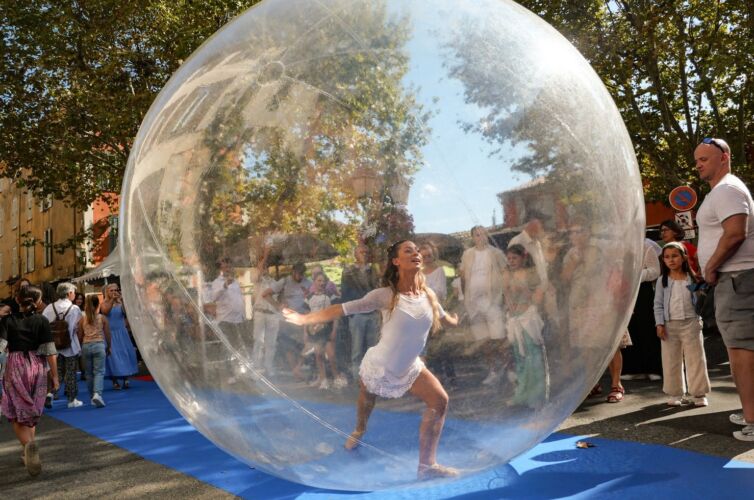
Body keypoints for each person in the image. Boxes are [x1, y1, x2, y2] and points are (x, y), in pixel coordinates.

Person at [283, 241, 460, 479]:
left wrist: (456, 320)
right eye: (408, 250)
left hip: (410, 367)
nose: (416, 253)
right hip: (380, 364)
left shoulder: (428, 295)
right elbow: (343, 308)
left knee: (440, 401)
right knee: (366, 401)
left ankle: (426, 467)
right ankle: (359, 429)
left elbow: (444, 316)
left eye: (417, 250)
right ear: (396, 261)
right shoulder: (386, 295)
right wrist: (305, 319)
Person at [694, 137, 754, 441]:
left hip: (737, 278)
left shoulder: (728, 189)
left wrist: (711, 266)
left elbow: (734, 234)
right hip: (735, 280)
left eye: (704, 159)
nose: (698, 164)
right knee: (740, 350)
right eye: (697, 160)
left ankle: (753, 421)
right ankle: (749, 410)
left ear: (724, 157)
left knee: (743, 352)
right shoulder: (722, 190)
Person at [0, 286, 59, 476]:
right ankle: (27, 451)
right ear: (38, 299)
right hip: (37, 365)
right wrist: (55, 377)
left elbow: (0, 347)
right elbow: (50, 351)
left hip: (15, 365)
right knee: (31, 409)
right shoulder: (41, 320)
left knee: (16, 411)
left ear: (17, 300)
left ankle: (28, 445)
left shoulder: (7, 320)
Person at [653, 242, 711, 407]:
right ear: (663, 260)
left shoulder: (692, 278)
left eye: (675, 256)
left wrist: (700, 281)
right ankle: (675, 392)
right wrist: (659, 324)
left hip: (691, 322)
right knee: (671, 360)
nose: (671, 260)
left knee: (696, 359)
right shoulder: (662, 281)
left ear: (684, 257)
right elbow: (658, 304)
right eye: (667, 257)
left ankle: (699, 394)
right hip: (669, 325)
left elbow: (702, 299)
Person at [459, 225, 507, 384]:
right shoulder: (468, 254)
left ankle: (508, 368)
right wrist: (465, 297)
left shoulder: (496, 253)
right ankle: (493, 370)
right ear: (473, 237)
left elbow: (505, 273)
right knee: (483, 339)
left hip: (492, 301)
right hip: (473, 303)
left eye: (483, 234)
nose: (480, 237)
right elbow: (463, 276)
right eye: (477, 235)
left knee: (499, 336)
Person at [502, 245, 546, 408]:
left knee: (533, 357)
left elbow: (537, 297)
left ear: (523, 258)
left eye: (514, 258)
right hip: (514, 319)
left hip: (528, 318)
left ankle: (536, 395)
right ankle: (521, 393)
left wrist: (524, 290)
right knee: (519, 358)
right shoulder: (507, 274)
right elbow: (506, 295)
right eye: (509, 258)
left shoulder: (530, 274)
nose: (511, 261)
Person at [622, 238, 662, 380]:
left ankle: (652, 368)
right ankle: (632, 369)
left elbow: (655, 271)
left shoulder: (646, 246)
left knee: (646, 327)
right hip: (624, 291)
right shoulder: (618, 246)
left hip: (643, 291)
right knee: (630, 328)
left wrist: (636, 275)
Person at [263, 262, 311, 380]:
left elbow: (314, 297)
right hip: (287, 319)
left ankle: (298, 369)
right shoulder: (285, 281)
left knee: (305, 344)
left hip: (303, 318)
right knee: (288, 345)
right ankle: (295, 371)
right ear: (293, 272)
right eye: (298, 274)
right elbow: (265, 294)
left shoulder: (308, 283)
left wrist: (308, 296)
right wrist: (278, 305)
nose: (300, 276)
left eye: (302, 274)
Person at [341, 244, 380, 382]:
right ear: (355, 254)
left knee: (373, 349)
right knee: (357, 349)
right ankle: (357, 379)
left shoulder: (373, 271)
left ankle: (372, 378)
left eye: (366, 251)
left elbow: (377, 289)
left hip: (372, 313)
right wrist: (351, 315)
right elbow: (345, 293)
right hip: (357, 315)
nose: (364, 254)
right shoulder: (349, 271)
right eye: (361, 252)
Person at [42, 282, 83, 409]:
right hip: (70, 345)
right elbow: (78, 328)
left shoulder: (49, 308)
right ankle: (72, 399)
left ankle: (50, 393)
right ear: (69, 293)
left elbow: (43, 326)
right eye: (74, 292)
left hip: (53, 346)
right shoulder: (75, 309)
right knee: (70, 372)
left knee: (56, 372)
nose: (75, 295)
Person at [304, 271, 347, 389]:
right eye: (319, 281)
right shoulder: (309, 297)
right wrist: (305, 332)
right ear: (314, 282)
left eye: (324, 281)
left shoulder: (330, 296)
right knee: (318, 355)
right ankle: (323, 379)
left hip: (327, 328)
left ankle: (336, 376)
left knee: (331, 355)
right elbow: (306, 315)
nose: (322, 283)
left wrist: (334, 330)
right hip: (314, 329)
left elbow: (335, 315)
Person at [209, 258, 248, 382]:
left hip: (238, 319)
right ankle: (230, 374)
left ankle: (239, 372)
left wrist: (243, 315)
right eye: (224, 267)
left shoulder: (235, 281)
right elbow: (213, 297)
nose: (227, 269)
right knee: (228, 348)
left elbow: (238, 299)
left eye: (228, 266)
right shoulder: (216, 282)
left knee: (239, 347)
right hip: (225, 320)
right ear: (220, 269)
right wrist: (225, 286)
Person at [101, 283, 138, 390]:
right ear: (107, 292)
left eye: (116, 290)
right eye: (111, 290)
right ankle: (115, 381)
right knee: (112, 357)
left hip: (122, 333)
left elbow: (127, 313)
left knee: (125, 353)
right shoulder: (104, 303)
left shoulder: (120, 303)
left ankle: (126, 378)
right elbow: (105, 311)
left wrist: (123, 300)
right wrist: (112, 300)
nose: (114, 292)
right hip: (110, 334)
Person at [77, 295, 112, 408]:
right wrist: (109, 346)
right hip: (99, 345)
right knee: (99, 372)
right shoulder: (102, 318)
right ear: (98, 305)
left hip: (86, 346)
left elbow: (79, 335)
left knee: (88, 373)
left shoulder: (83, 319)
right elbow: (107, 334)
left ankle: (92, 396)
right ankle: (98, 394)